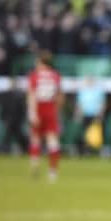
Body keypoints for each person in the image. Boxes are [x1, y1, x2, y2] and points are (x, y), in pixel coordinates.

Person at [27, 50, 64, 182]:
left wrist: (32, 112)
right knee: (52, 140)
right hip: (51, 108)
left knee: (35, 138)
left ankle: (35, 164)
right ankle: (53, 172)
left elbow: (31, 95)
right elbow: (60, 96)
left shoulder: (34, 76)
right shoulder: (55, 76)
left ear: (41, 62)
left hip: (39, 107)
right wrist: (56, 110)